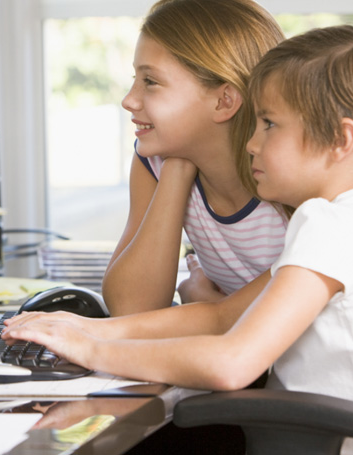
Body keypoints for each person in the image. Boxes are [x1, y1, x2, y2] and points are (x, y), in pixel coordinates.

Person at [3, 25, 353, 455]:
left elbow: (231, 363)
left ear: (341, 139)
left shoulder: (327, 226)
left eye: (270, 125)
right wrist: (90, 328)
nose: (252, 143)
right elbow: (222, 317)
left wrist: (89, 348)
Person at [102, 0, 288, 316]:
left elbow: (305, 320)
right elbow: (131, 308)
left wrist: (207, 305)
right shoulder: (156, 162)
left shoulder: (292, 177)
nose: (129, 100)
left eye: (150, 81)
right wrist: (178, 168)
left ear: (223, 101)